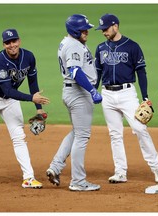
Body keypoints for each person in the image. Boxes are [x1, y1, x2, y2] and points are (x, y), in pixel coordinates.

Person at [95, 14, 158, 184]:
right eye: (102, 30)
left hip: (127, 94)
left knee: (140, 128)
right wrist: (93, 92)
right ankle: (120, 172)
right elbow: (97, 72)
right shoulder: (100, 48)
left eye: (106, 29)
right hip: (107, 94)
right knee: (115, 135)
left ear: (116, 26)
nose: (104, 32)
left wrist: (145, 97)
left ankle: (156, 168)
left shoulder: (132, 46)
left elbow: (141, 72)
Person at [0, 28, 50, 189]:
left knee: (19, 137)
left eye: (14, 41)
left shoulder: (28, 57)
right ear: (4, 45)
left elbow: (33, 84)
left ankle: (28, 177)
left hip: (11, 100)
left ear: (19, 41)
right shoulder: (0, 61)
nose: (12, 45)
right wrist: (32, 98)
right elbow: (7, 90)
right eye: (8, 42)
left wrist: (39, 109)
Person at [45, 14, 102, 191]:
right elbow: (75, 71)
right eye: (84, 29)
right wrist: (92, 90)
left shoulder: (67, 42)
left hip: (71, 91)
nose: (87, 31)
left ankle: (55, 166)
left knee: (77, 133)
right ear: (75, 30)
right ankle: (78, 181)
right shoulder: (74, 45)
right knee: (82, 137)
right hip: (78, 93)